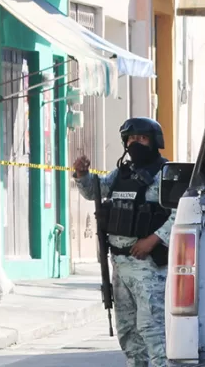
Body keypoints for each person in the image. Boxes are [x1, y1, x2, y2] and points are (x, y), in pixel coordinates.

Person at [73, 117, 173, 367]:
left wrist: (153, 240)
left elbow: (181, 213)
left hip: (148, 266)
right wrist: (82, 175)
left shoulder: (166, 173)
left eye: (141, 138)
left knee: (153, 329)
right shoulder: (122, 172)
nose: (135, 143)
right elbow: (95, 191)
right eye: (130, 139)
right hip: (119, 264)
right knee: (128, 332)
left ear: (154, 141)